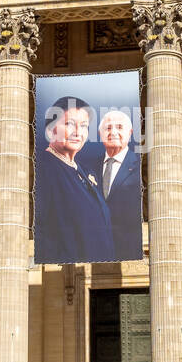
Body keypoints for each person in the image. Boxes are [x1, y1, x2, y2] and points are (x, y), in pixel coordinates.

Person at [33, 96, 115, 264]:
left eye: (84, 126)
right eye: (69, 124)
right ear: (51, 130)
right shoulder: (45, 169)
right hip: (70, 264)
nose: (78, 132)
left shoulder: (83, 171)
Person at [86, 109, 143, 260]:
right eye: (108, 128)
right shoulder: (87, 167)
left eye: (119, 127)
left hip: (131, 242)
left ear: (130, 132)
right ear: (100, 134)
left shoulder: (141, 165)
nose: (113, 132)